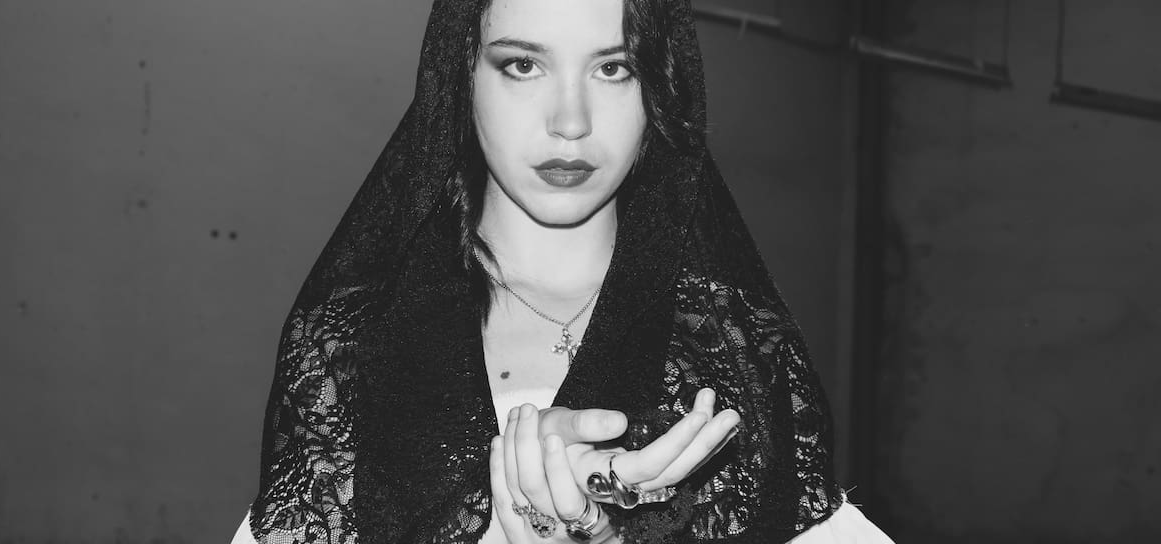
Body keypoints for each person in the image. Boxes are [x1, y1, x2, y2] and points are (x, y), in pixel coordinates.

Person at [233, 0, 893, 542]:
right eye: (523, 65)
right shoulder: (349, 348)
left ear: (660, 86)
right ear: (459, 74)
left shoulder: (740, 349)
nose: (570, 122)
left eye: (614, 68)